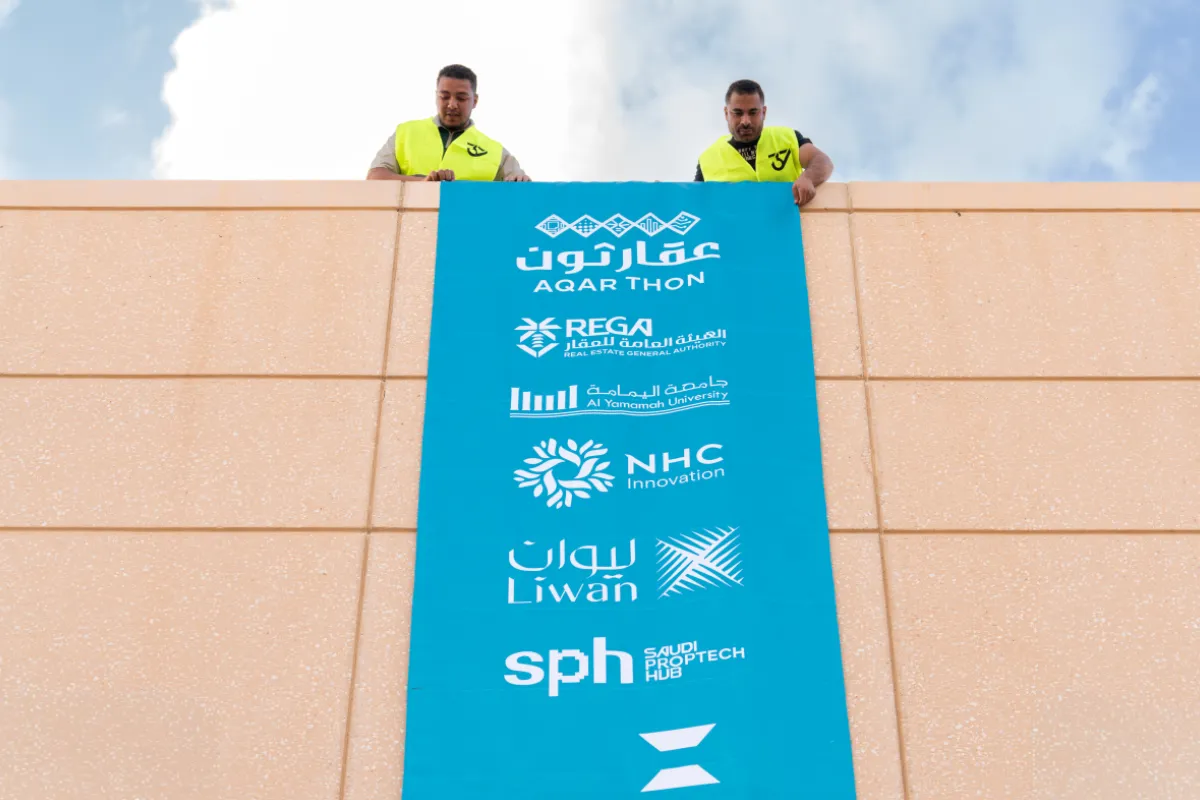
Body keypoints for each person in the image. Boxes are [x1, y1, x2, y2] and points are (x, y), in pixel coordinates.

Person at [366, 64, 530, 183]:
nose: (452, 104)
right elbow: (375, 177)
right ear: (436, 96)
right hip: (412, 220)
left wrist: (520, 181)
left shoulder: (496, 152)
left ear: (475, 101)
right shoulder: (406, 132)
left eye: (461, 98)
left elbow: (522, 188)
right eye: (444, 96)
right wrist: (424, 183)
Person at [694, 79, 833, 206]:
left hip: (789, 224)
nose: (745, 121)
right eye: (737, 113)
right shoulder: (708, 159)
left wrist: (808, 178)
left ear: (764, 112)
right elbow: (693, 203)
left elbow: (821, 160)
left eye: (753, 112)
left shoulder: (787, 137)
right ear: (726, 113)